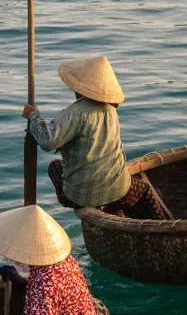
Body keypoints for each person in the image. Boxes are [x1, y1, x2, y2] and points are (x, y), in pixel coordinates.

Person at [22, 56, 168, 220]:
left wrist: (33, 116)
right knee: (144, 191)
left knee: (55, 166)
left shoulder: (74, 113)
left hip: (79, 197)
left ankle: (112, 210)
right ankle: (162, 225)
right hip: (119, 191)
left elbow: (47, 141)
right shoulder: (111, 110)